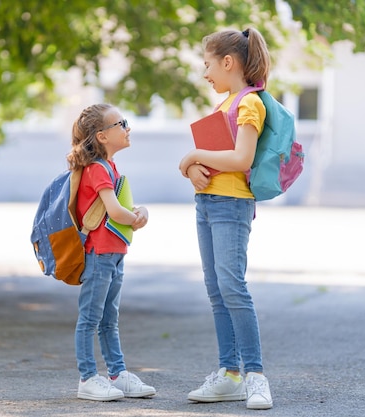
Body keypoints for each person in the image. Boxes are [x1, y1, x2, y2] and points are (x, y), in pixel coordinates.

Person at [178, 27, 274, 410]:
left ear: (228, 62)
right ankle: (230, 374)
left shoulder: (249, 103)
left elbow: (241, 160)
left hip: (230, 207)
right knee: (217, 291)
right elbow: (217, 163)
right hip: (208, 204)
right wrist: (194, 168)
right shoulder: (224, 105)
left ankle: (255, 376)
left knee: (233, 287)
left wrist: (193, 155)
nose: (205, 74)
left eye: (208, 65)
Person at [67, 103, 155, 401]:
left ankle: (117, 375)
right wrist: (137, 217)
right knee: (90, 319)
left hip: (115, 255)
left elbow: (117, 209)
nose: (128, 128)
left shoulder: (110, 167)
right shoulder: (96, 169)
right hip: (100, 255)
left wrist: (137, 211)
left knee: (109, 320)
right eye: (121, 123)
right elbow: (116, 211)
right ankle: (88, 378)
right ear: (102, 136)